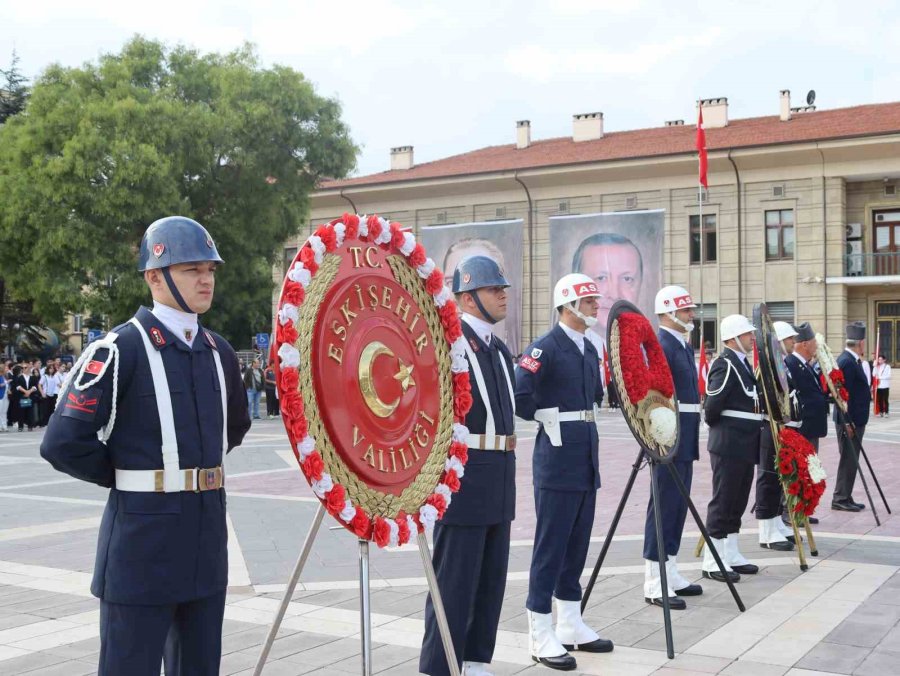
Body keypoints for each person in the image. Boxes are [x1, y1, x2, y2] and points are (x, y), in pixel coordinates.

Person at [40, 215, 250, 675]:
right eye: (192, 268)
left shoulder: (221, 352)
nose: (205, 279)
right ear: (154, 276)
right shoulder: (119, 349)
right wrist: (126, 474)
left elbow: (231, 431)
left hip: (205, 541)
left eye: (210, 269)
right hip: (141, 546)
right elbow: (62, 442)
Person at [420, 255, 516, 676]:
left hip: (500, 469)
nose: (503, 295)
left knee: (491, 577)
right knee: (455, 578)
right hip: (466, 471)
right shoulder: (451, 343)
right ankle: (440, 666)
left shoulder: (498, 348)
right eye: (495, 289)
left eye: (503, 288)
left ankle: (476, 659)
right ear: (468, 296)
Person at [516, 273, 612, 671]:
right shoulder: (546, 347)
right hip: (556, 461)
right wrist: (546, 418)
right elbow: (521, 393)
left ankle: (570, 623)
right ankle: (540, 629)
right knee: (551, 546)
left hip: (585, 458)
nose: (595, 307)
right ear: (568, 305)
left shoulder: (589, 348)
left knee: (577, 544)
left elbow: (595, 399)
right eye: (588, 301)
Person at [642, 286, 704, 609]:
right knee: (663, 506)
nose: (690, 314)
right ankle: (654, 577)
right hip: (668, 438)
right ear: (668, 312)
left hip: (686, 435)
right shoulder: (661, 345)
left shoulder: (680, 345)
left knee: (678, 506)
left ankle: (671, 568)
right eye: (685, 310)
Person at [702, 314, 762, 583]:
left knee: (737, 501)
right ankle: (712, 560)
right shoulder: (725, 364)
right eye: (747, 334)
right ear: (732, 338)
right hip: (728, 443)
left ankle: (731, 553)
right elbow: (712, 407)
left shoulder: (743, 364)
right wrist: (725, 432)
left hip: (744, 444)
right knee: (723, 501)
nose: (752, 338)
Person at [755, 321, 799, 551]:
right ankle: (766, 529)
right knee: (768, 477)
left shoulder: (781, 364)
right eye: (790, 339)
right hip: (768, 428)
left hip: (781, 428)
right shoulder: (769, 366)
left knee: (777, 478)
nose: (794, 342)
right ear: (779, 341)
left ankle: (774, 522)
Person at [442, 238, 520, 354]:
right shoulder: (447, 349)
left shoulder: (501, 350)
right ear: (468, 299)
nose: (455, 297)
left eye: (500, 288)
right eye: (451, 282)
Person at [571, 233, 643, 357]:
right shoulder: (558, 350)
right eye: (601, 278)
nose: (614, 295)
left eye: (627, 279)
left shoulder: (649, 351)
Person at [832, 322, 870, 513]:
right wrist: (846, 421)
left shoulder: (851, 360)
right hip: (850, 421)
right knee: (848, 459)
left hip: (856, 420)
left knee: (851, 460)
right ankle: (840, 497)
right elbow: (841, 395)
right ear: (860, 343)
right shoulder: (846, 361)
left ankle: (845, 494)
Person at [0, 363, 8, 432]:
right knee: (0, 411)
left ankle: (4, 426)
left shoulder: (5, 376)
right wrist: (6, 383)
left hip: (6, 395)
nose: (6, 369)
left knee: (4, 412)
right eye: (5, 368)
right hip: (0, 395)